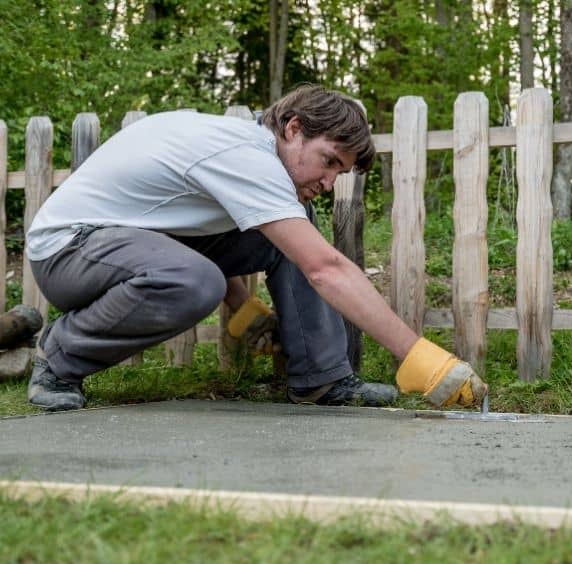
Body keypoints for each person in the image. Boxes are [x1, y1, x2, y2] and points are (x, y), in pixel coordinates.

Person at [24, 84, 487, 412]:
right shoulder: (246, 158)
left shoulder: (249, 156)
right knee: (203, 278)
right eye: (328, 161)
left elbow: (176, 229)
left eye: (339, 173)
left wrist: (241, 307)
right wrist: (419, 358)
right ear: (293, 128)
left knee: (293, 228)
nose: (328, 182)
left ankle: (320, 380)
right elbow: (325, 269)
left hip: (128, 245)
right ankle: (57, 360)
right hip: (68, 251)